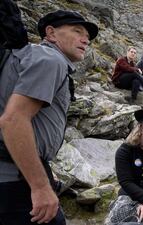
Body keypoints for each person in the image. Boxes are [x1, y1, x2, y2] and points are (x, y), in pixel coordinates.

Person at [0, 10, 98, 225]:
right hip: (14, 179)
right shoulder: (50, 59)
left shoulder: (35, 57)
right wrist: (40, 186)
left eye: (87, 38)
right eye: (77, 31)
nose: (85, 40)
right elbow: (13, 120)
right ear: (51, 33)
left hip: (19, 169)